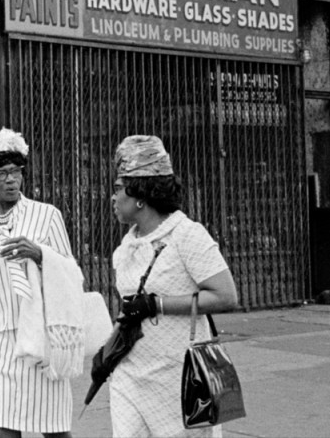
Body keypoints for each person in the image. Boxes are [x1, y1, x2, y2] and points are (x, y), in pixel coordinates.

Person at [107, 135, 238, 437]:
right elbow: (129, 308)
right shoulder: (129, 243)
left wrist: (157, 304)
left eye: (118, 189)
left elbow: (225, 295)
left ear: (140, 195)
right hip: (131, 373)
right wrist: (109, 351)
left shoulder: (186, 235)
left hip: (179, 376)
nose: (112, 198)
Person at [0, 128, 76, 438]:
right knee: (8, 426)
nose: (12, 179)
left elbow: (70, 272)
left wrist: (40, 254)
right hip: (1, 338)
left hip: (42, 333)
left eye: (16, 171)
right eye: (2, 173)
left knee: (53, 426)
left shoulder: (47, 215)